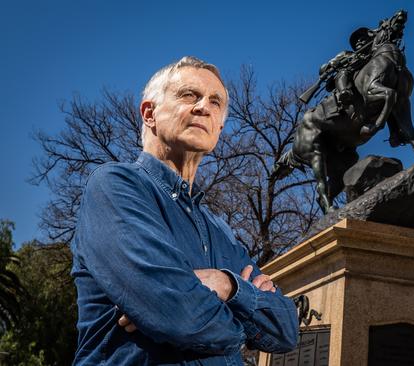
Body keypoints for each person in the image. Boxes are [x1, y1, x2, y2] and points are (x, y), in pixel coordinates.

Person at [71, 56, 298, 365]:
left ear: (219, 128)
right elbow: (177, 313)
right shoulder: (114, 187)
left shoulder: (221, 231)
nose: (204, 106)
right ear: (149, 113)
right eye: (189, 95)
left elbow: (286, 328)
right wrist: (244, 326)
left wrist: (227, 285)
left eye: (215, 102)